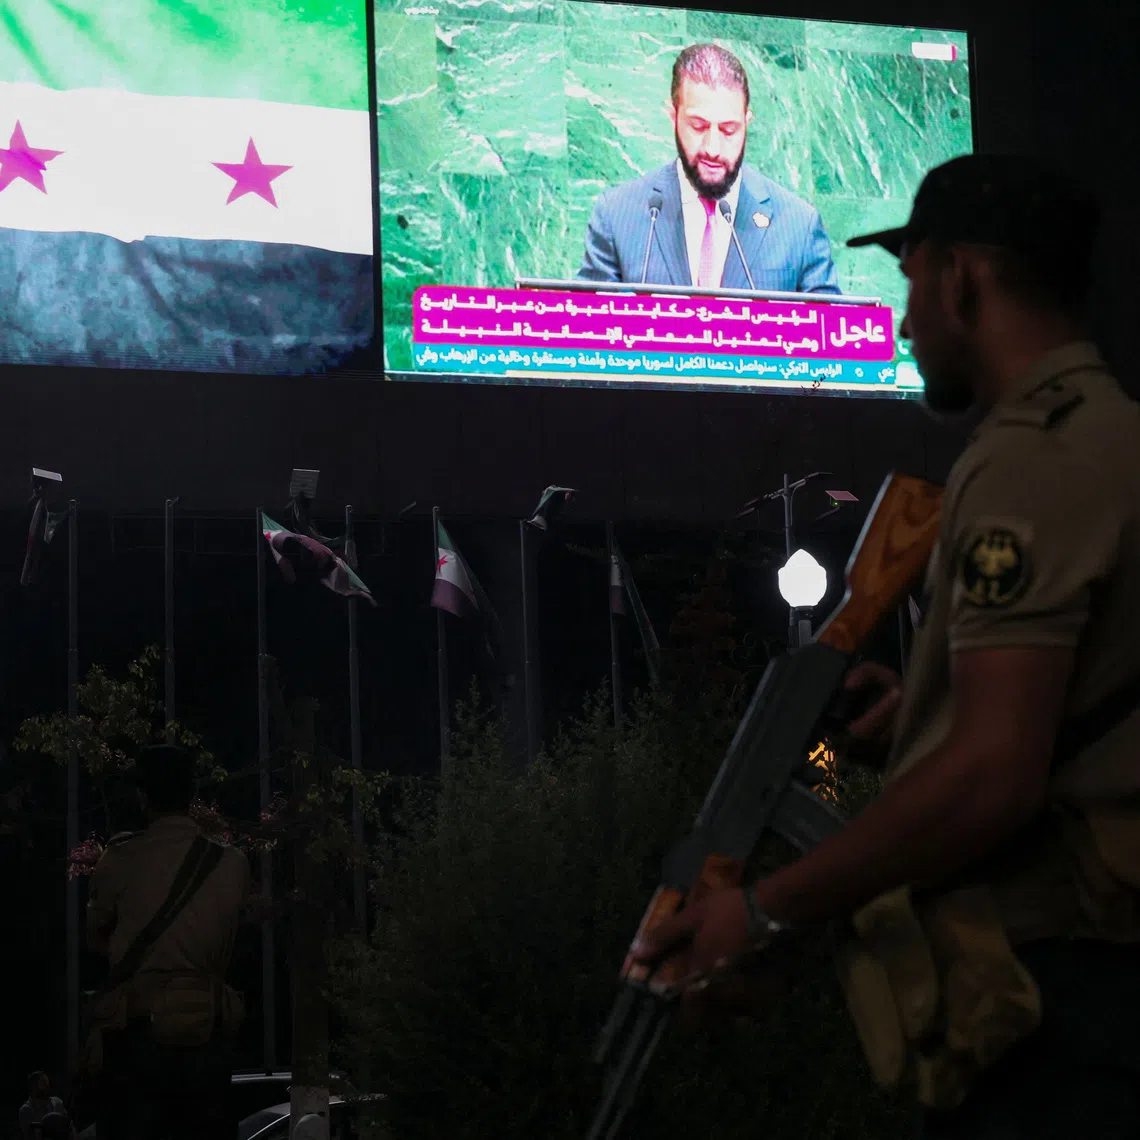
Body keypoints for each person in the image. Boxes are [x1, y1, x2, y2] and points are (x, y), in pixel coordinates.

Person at [632, 152, 1140, 1138]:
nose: (905, 323)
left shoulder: (1029, 465)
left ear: (962, 276)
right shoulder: (1114, 441)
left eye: (912, 285)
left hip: (1065, 1010)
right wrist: (917, 713)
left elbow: (996, 778)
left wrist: (763, 911)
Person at [577, 43, 839, 294]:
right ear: (673, 117)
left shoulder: (798, 226)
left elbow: (833, 330)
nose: (713, 148)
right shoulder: (617, 216)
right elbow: (584, 328)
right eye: (698, 127)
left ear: (747, 123)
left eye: (728, 130)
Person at [85, 745, 251, 1140]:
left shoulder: (122, 858)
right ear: (192, 795)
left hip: (138, 1033)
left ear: (142, 796)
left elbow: (94, 937)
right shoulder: (233, 864)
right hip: (207, 1035)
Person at [19, 1072, 69, 1140]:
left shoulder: (57, 1102)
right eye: (43, 1083)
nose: (47, 1086)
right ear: (33, 1087)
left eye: (47, 1083)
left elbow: (69, 1125)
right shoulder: (26, 1110)